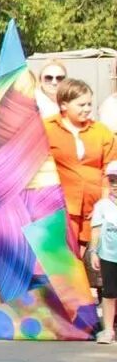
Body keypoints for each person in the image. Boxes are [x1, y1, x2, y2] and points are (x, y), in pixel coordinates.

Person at [46, 78, 117, 258]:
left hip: (93, 208)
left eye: (89, 104)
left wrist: (103, 204)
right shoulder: (46, 128)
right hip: (59, 207)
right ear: (64, 105)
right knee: (64, 261)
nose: (87, 109)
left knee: (88, 259)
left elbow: (109, 171)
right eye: (81, 105)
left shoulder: (101, 132)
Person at [90, 163, 117, 343]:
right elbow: (96, 229)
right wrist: (93, 251)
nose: (115, 184)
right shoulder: (103, 205)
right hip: (109, 254)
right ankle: (108, 330)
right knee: (109, 292)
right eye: (112, 180)